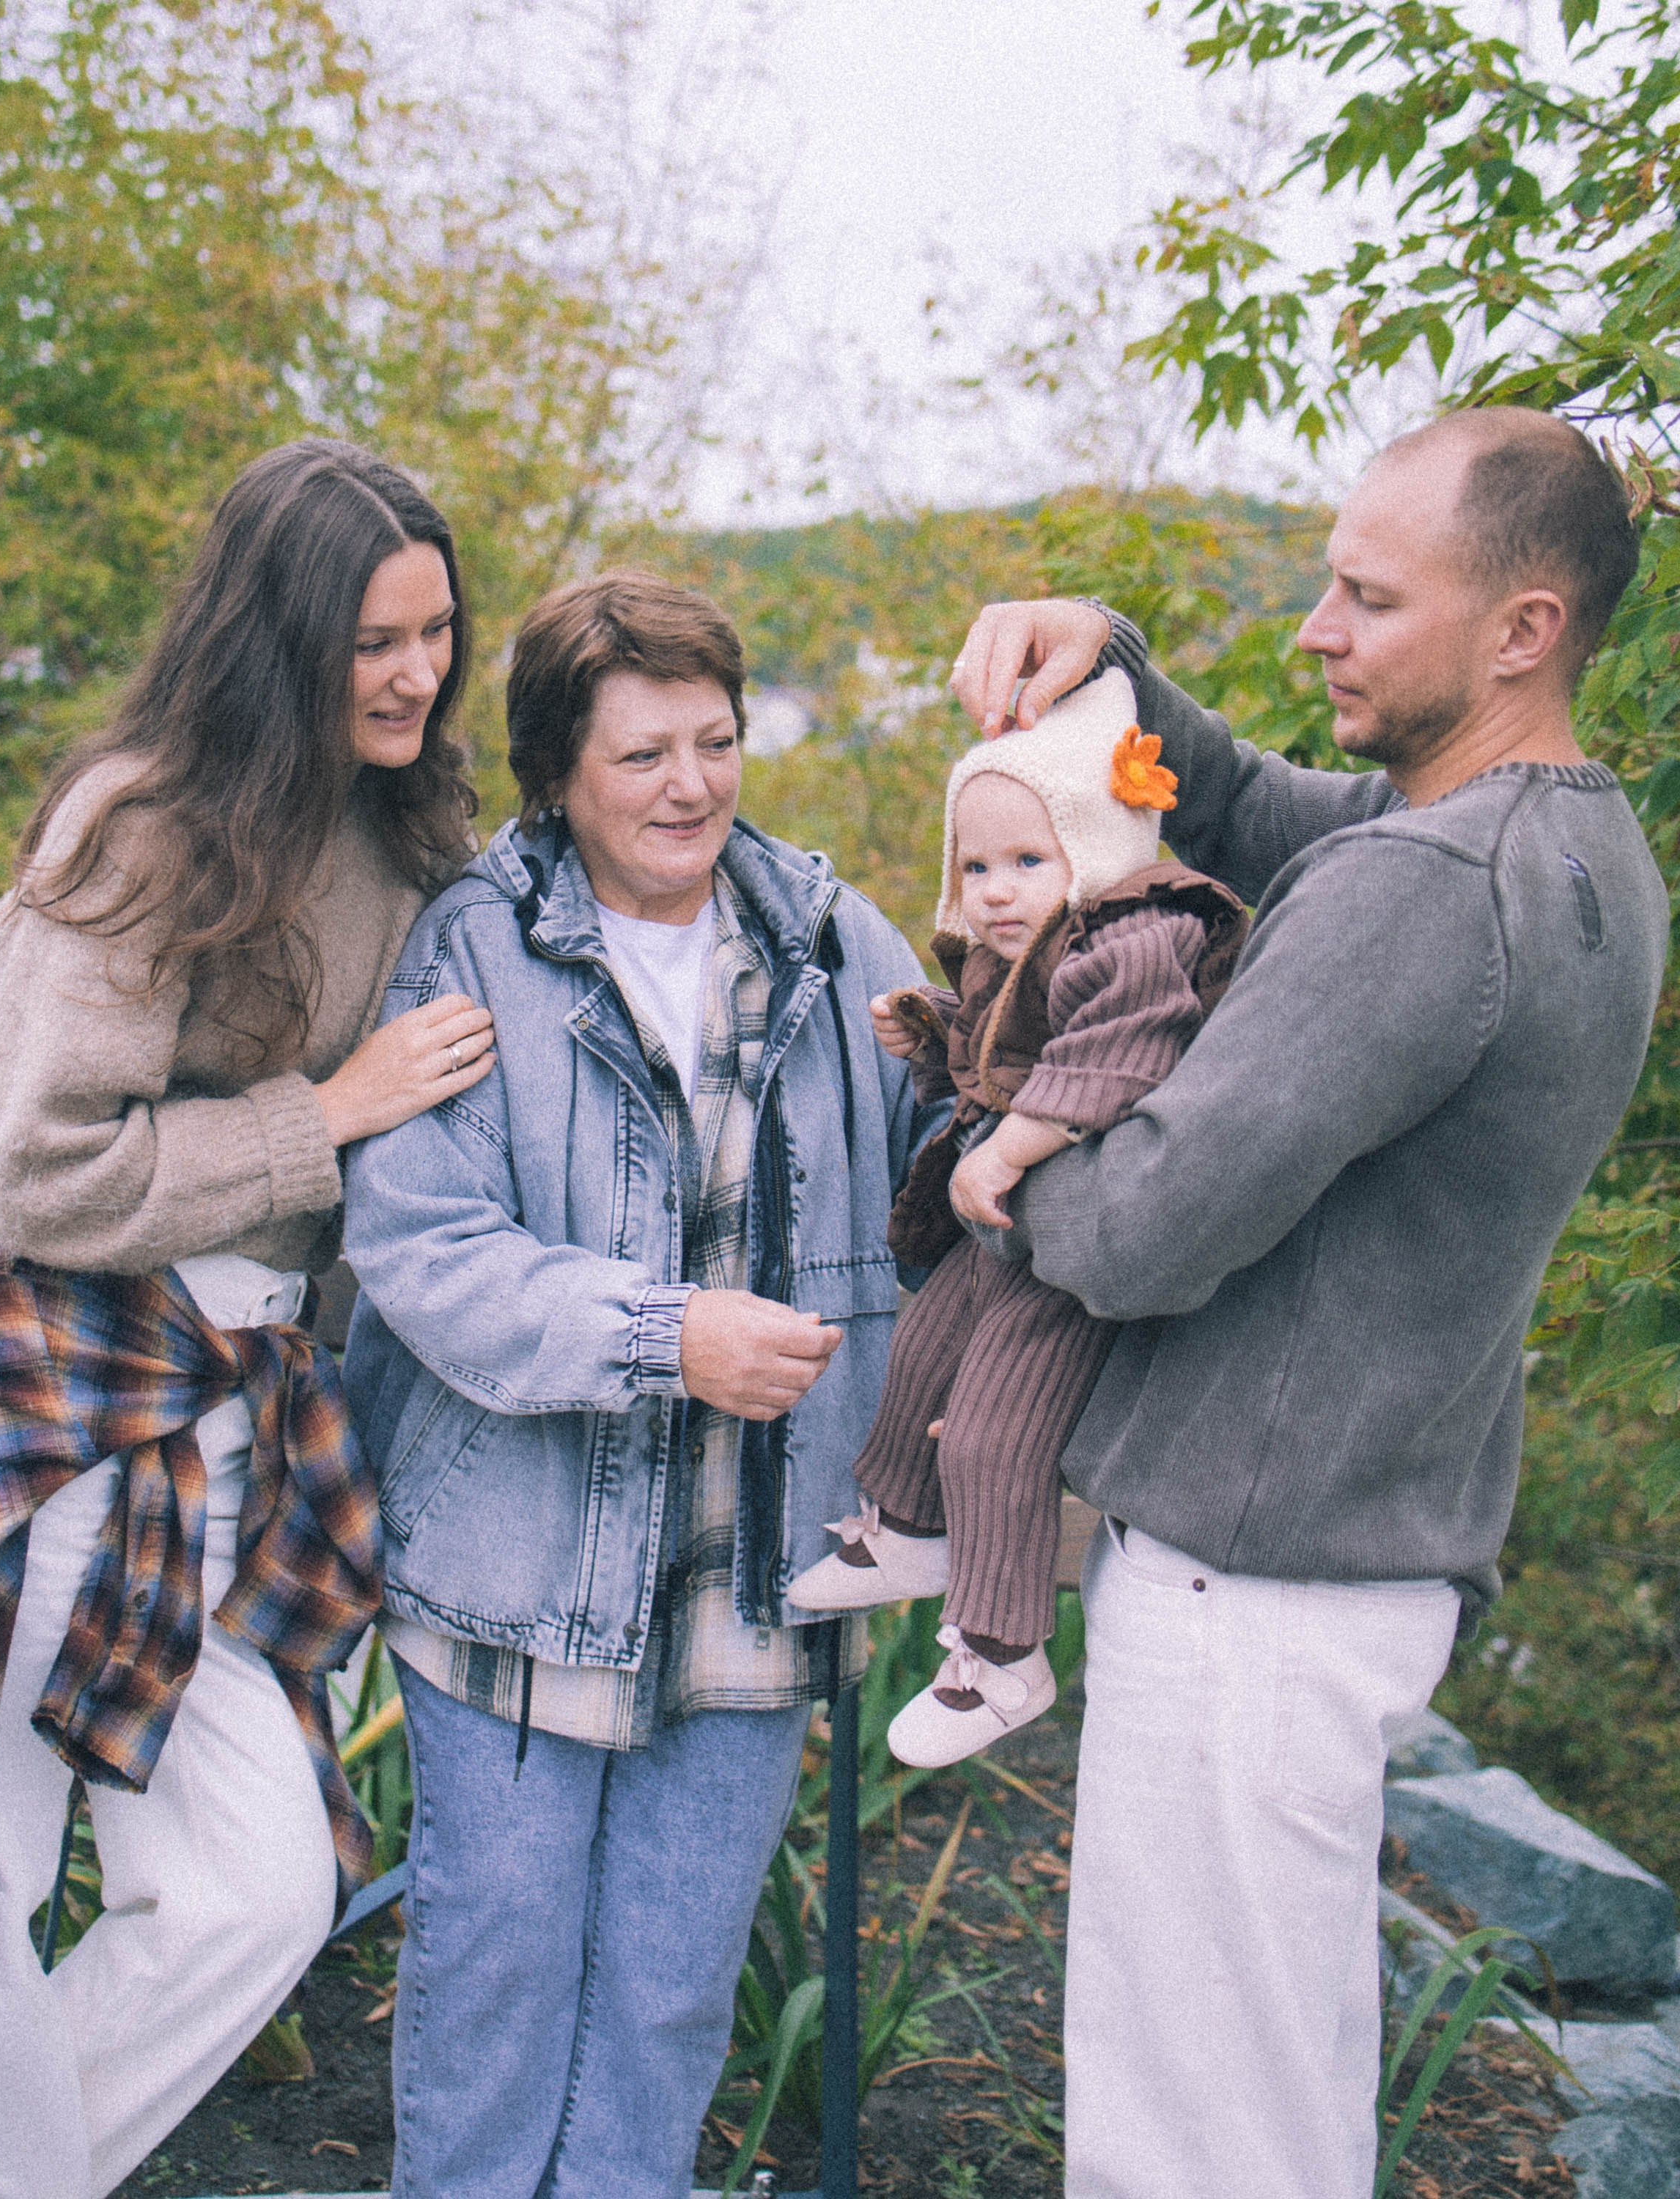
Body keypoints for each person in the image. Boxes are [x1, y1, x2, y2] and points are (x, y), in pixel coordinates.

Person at [947, 407, 1663, 2199]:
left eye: (1366, 596)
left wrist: (992, 1147)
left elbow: (1145, 1227)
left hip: (1247, 1597)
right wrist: (1116, 665)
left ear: (1524, 630)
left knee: (1185, 2147)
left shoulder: (1431, 888)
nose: (1317, 629)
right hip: (1352, 1570)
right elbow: (1276, 818)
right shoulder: (1571, 849)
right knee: (1275, 2120)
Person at [337, 568, 1062, 2199]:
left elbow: (942, 1154)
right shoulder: (473, 944)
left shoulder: (827, 935)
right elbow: (427, 1249)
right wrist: (673, 1336)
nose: (689, 787)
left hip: (758, 1579)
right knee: (491, 1991)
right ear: (556, 776)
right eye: (641, 756)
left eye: (715, 743)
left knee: (669, 2004)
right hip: (515, 1583)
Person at [0, 438, 497, 2199]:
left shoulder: (405, 834)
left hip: (234, 1426)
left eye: (437, 634)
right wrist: (329, 1112)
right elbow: (32, 1173)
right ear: (279, 641)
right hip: (49, 1404)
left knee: (262, 1884)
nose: (416, 676)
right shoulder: (144, 825)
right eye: (374, 643)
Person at [788, 668, 1245, 1770]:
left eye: (1027, 862)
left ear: (1096, 850)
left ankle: (1001, 1653)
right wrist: (938, 1022)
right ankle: (904, 1529)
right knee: (920, 1355)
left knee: (996, 1432)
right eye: (978, 866)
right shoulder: (1033, 944)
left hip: (1071, 1248)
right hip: (1006, 1224)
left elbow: (1108, 1064)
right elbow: (1015, 1047)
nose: (995, 891)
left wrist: (1008, 1144)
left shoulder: (1137, 936)